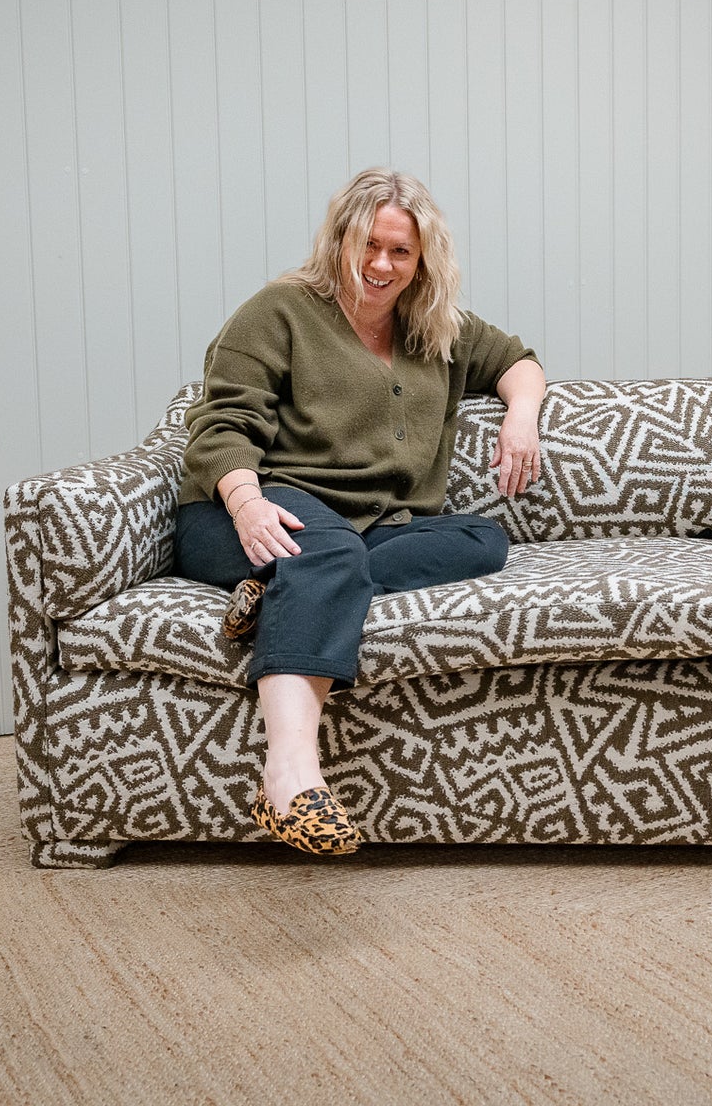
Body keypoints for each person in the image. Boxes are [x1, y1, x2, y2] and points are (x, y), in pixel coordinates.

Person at [175, 168, 546, 856]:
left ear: (422, 260)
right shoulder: (280, 311)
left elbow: (516, 360)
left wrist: (521, 416)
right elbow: (222, 425)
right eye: (368, 244)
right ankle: (288, 777)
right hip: (247, 507)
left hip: (360, 527)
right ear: (340, 239)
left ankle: (280, 587)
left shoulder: (434, 327)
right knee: (330, 550)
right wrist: (247, 503)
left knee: (481, 539)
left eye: (400, 251)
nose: (381, 264)